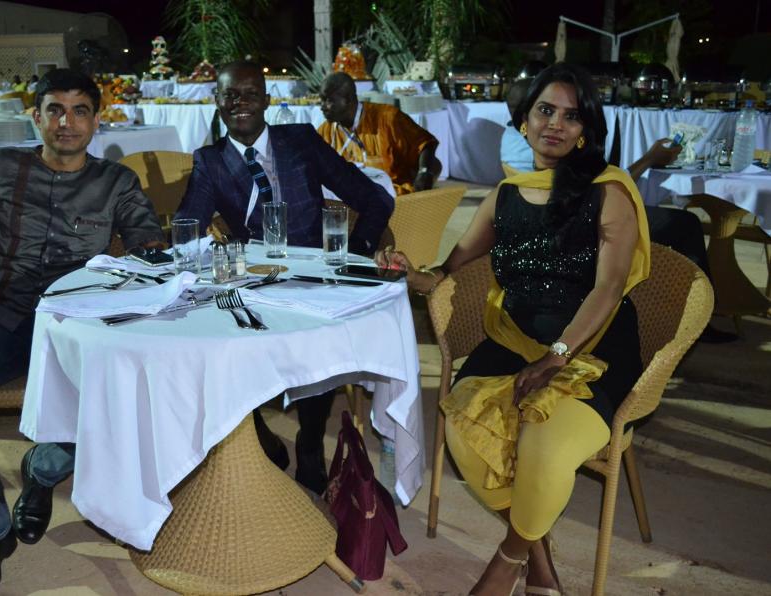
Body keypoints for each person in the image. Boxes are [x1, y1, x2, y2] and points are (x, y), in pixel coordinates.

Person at [379, 63, 650, 595]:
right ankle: (539, 561)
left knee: (544, 449)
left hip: (592, 347)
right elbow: (447, 272)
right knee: (463, 431)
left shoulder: (608, 191)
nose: (556, 124)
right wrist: (410, 273)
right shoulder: (504, 197)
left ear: (586, 130)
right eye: (545, 111)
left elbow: (609, 288)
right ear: (524, 121)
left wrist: (555, 357)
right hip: (512, 342)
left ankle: (506, 563)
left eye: (571, 116)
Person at [0, 68, 164, 596]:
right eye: (55, 110)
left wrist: (153, 260)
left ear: (96, 120)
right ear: (35, 117)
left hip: (79, 327)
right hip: (2, 318)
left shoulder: (116, 183)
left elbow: (149, 249)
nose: (67, 122)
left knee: (137, 388)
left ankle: (42, 470)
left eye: (80, 111)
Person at [174, 61, 394, 495]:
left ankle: (309, 442)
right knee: (219, 335)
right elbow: (188, 224)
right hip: (253, 282)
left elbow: (374, 199)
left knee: (316, 337)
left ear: (267, 100)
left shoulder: (300, 141)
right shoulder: (211, 161)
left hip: (313, 276)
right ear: (216, 102)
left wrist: (354, 252)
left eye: (250, 94)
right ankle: (256, 431)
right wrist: (181, 246)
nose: (240, 103)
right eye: (230, 95)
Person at [501, 78, 736, 343]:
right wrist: (648, 159)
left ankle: (685, 307)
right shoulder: (541, 144)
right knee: (683, 224)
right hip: (570, 222)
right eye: (548, 109)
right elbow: (592, 193)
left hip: (567, 217)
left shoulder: (512, 138)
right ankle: (696, 316)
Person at [318, 72, 442, 195]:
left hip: (394, 198)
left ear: (349, 99)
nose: (322, 107)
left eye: (329, 100)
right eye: (321, 101)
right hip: (348, 199)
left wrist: (424, 171)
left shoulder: (388, 118)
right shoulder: (325, 131)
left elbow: (425, 144)